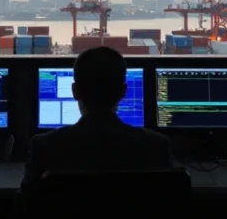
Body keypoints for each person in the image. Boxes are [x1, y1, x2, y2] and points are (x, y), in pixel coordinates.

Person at [21, 46, 174, 191]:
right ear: (123, 92)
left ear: (75, 91)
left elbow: (26, 206)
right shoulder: (157, 146)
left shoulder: (43, 147)